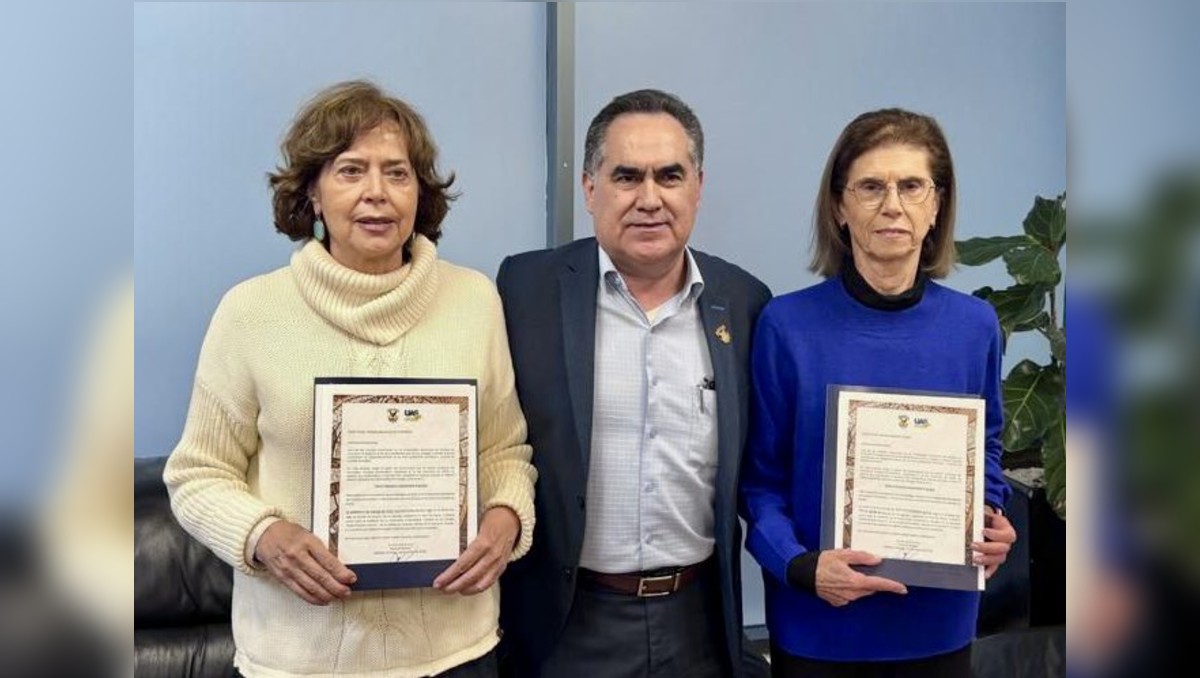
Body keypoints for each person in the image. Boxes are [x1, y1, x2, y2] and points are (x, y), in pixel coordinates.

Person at [163, 80, 536, 678]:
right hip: (299, 660)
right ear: (311, 191)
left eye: (397, 173)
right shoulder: (250, 312)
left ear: (420, 192)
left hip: (457, 653)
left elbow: (503, 448)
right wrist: (264, 535)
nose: (376, 194)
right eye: (350, 171)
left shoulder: (475, 301)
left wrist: (506, 518)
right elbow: (195, 474)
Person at [496, 89, 771, 678]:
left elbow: (767, 466)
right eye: (627, 177)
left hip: (700, 622)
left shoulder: (745, 303)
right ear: (590, 189)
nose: (650, 199)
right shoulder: (525, 292)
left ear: (697, 186)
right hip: (570, 624)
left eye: (670, 176)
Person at [739, 108, 1018, 677]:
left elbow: (985, 446)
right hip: (819, 623)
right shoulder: (785, 326)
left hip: (938, 624)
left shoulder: (975, 326)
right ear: (839, 207)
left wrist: (989, 516)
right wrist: (799, 565)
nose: (893, 205)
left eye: (912, 185)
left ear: (936, 204)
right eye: (871, 186)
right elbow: (759, 482)